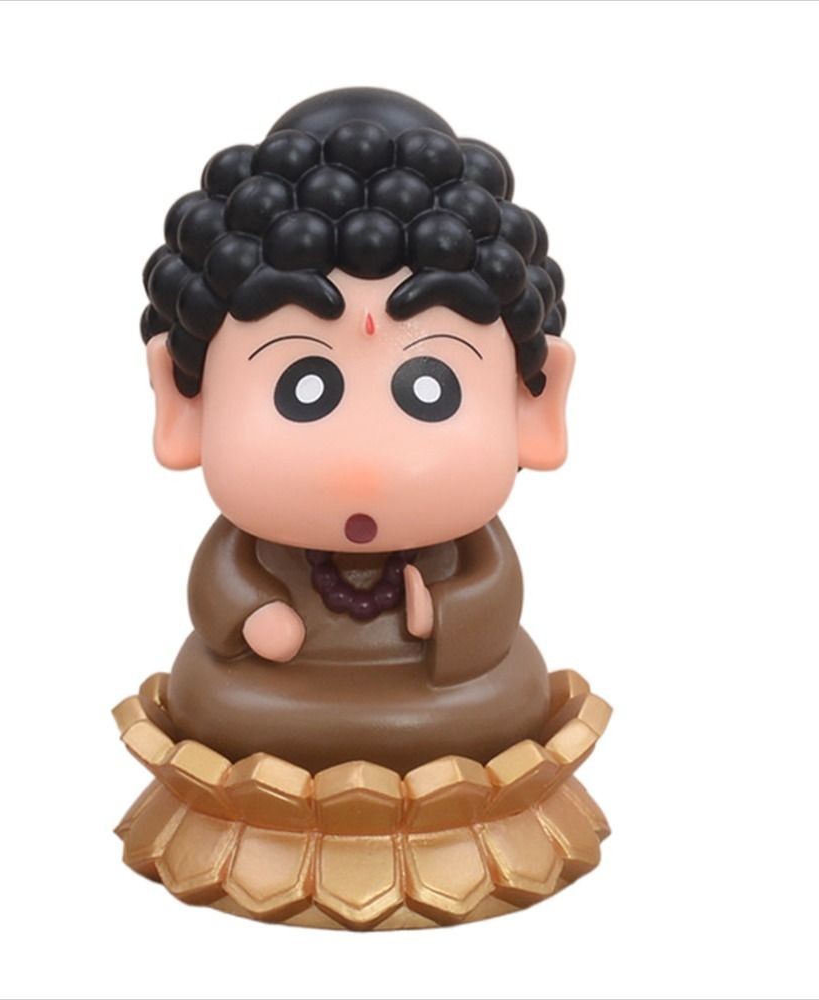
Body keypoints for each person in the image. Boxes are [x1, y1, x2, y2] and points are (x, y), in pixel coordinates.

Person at [140, 88, 575, 773]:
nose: (363, 458)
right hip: (263, 699)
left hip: (452, 697)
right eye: (303, 388)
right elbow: (221, 581)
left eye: (429, 389)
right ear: (183, 404)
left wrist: (443, 613)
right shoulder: (249, 546)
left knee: (500, 691)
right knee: (217, 692)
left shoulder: (468, 550)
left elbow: (493, 591)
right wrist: (251, 614)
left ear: (534, 408)